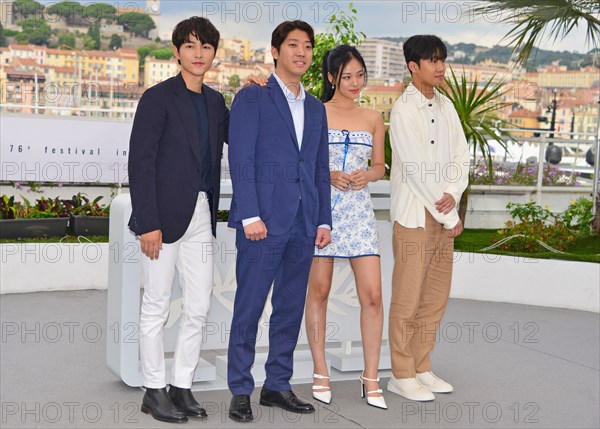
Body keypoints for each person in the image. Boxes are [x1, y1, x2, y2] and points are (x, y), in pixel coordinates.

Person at [226, 20, 332, 423]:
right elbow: (242, 158)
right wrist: (250, 213)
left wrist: (323, 219)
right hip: (263, 223)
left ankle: (277, 385)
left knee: (288, 309)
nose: (301, 53)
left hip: (304, 224)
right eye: (292, 45)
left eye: (307, 46)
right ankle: (240, 389)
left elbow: (318, 167)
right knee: (249, 308)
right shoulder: (253, 97)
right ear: (275, 51)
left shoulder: (316, 107)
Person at [128, 17, 228, 424]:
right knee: (155, 304)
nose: (199, 54)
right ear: (176, 52)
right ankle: (154, 389)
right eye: (190, 46)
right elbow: (141, 163)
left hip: (201, 212)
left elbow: (243, 138)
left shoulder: (216, 102)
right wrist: (148, 221)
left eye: (206, 47)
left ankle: (180, 385)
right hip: (163, 219)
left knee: (200, 304)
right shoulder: (157, 98)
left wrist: (262, 95)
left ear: (214, 54)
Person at [387, 35, 470, 401]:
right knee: (407, 298)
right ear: (412, 66)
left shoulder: (448, 107)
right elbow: (418, 171)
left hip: (443, 211)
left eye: (442, 60)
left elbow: (461, 157)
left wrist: (454, 194)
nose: (440, 67)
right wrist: (451, 216)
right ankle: (400, 373)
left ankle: (422, 365)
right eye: (432, 60)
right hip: (415, 216)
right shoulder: (403, 110)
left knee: (435, 296)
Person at [304, 45, 387, 410]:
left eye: (360, 75)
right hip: (324, 212)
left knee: (372, 295)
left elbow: (381, 167)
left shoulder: (374, 117)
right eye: (347, 76)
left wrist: (366, 174)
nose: (355, 83)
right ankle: (320, 370)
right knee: (318, 291)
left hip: (360, 214)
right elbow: (302, 163)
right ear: (330, 77)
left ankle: (371, 376)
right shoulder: (315, 112)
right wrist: (329, 175)